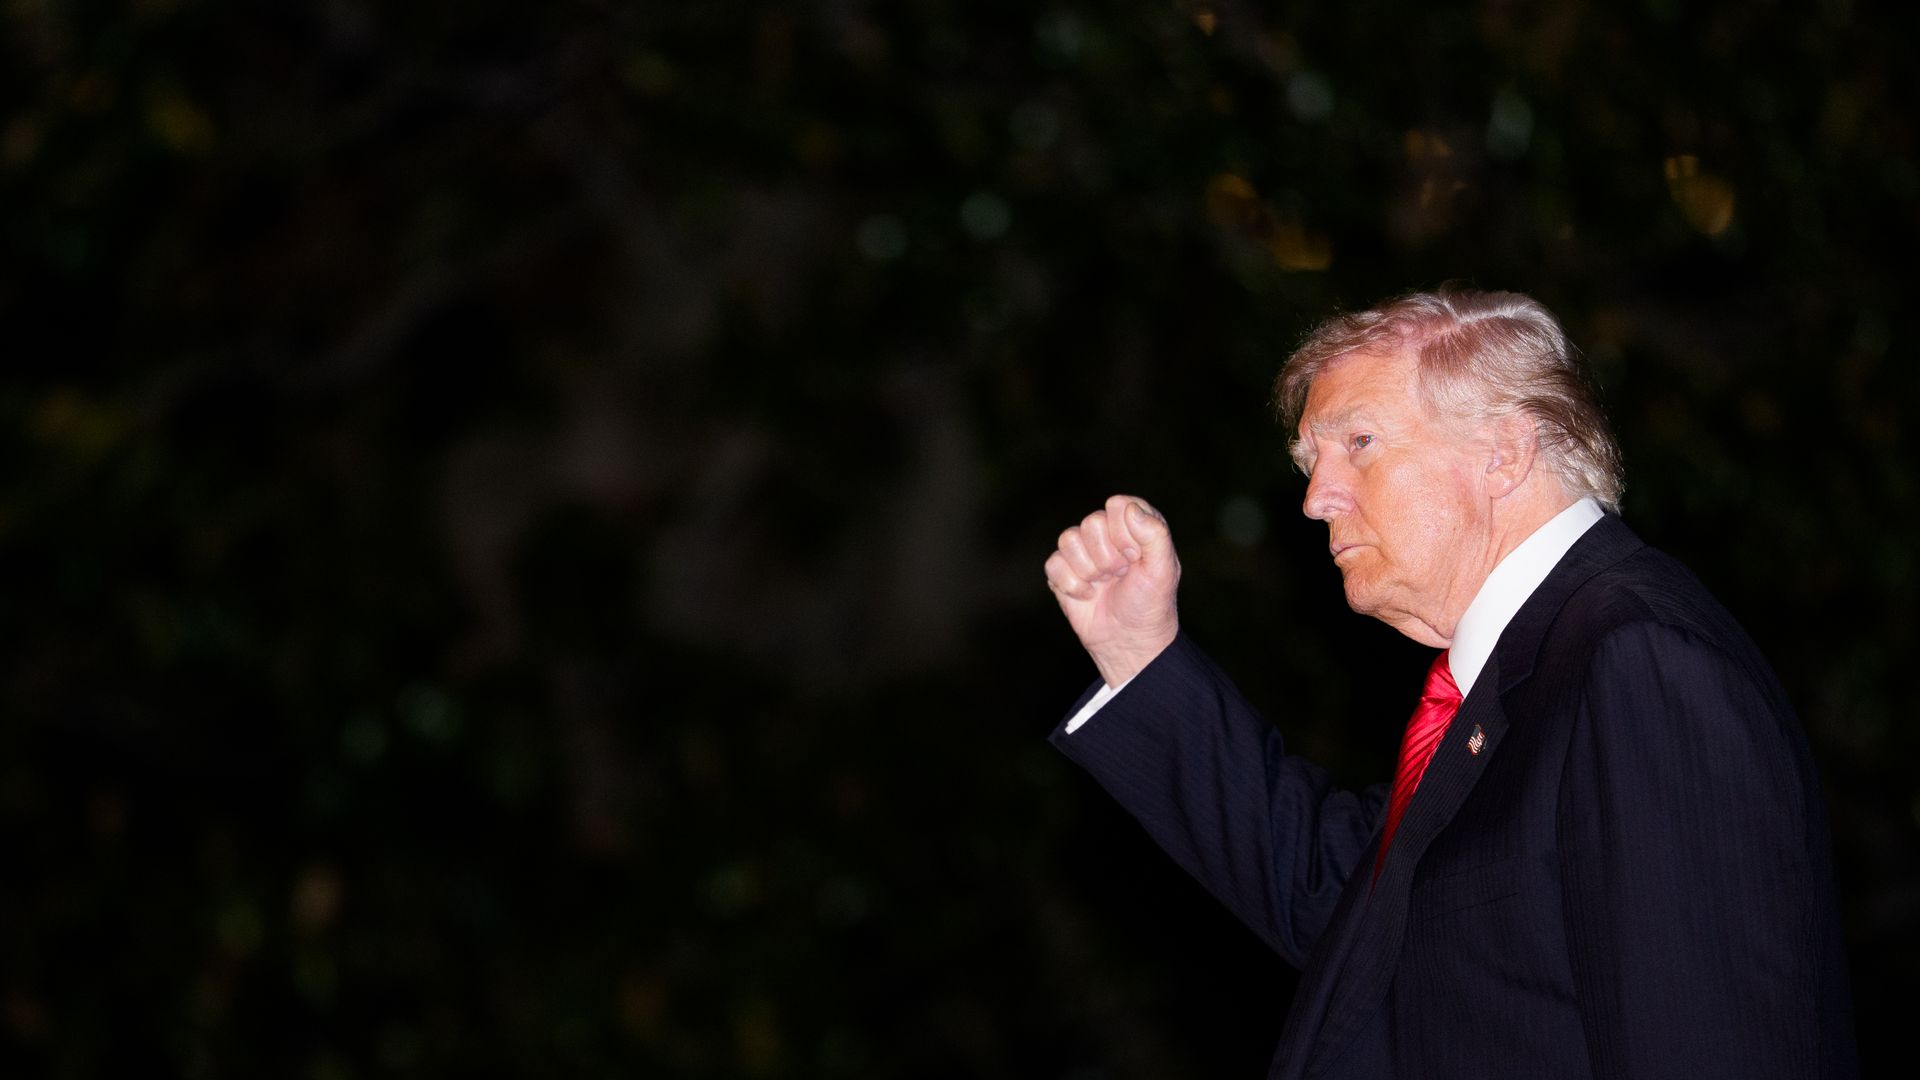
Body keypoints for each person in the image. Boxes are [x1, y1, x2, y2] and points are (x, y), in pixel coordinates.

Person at [1043, 288, 1856, 1079]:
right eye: (1310, 462)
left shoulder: (1636, 660)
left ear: (1504, 452)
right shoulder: (1522, 683)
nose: (1316, 499)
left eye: (1357, 443)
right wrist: (1138, 651)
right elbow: (1338, 901)